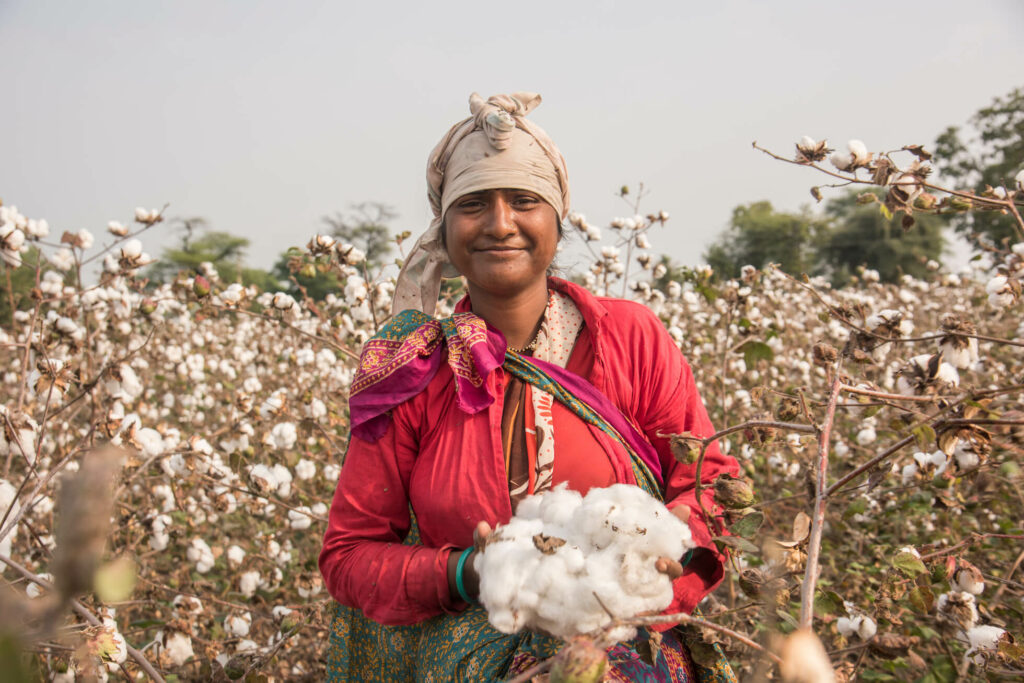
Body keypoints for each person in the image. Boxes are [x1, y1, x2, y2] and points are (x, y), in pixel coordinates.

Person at [319, 92, 739, 682]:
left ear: (556, 218)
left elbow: (708, 481)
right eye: (473, 205)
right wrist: (470, 573)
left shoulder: (629, 339)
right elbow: (350, 556)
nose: (499, 224)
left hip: (624, 644)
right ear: (444, 228)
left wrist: (648, 568)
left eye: (523, 202)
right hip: (467, 657)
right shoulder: (413, 370)